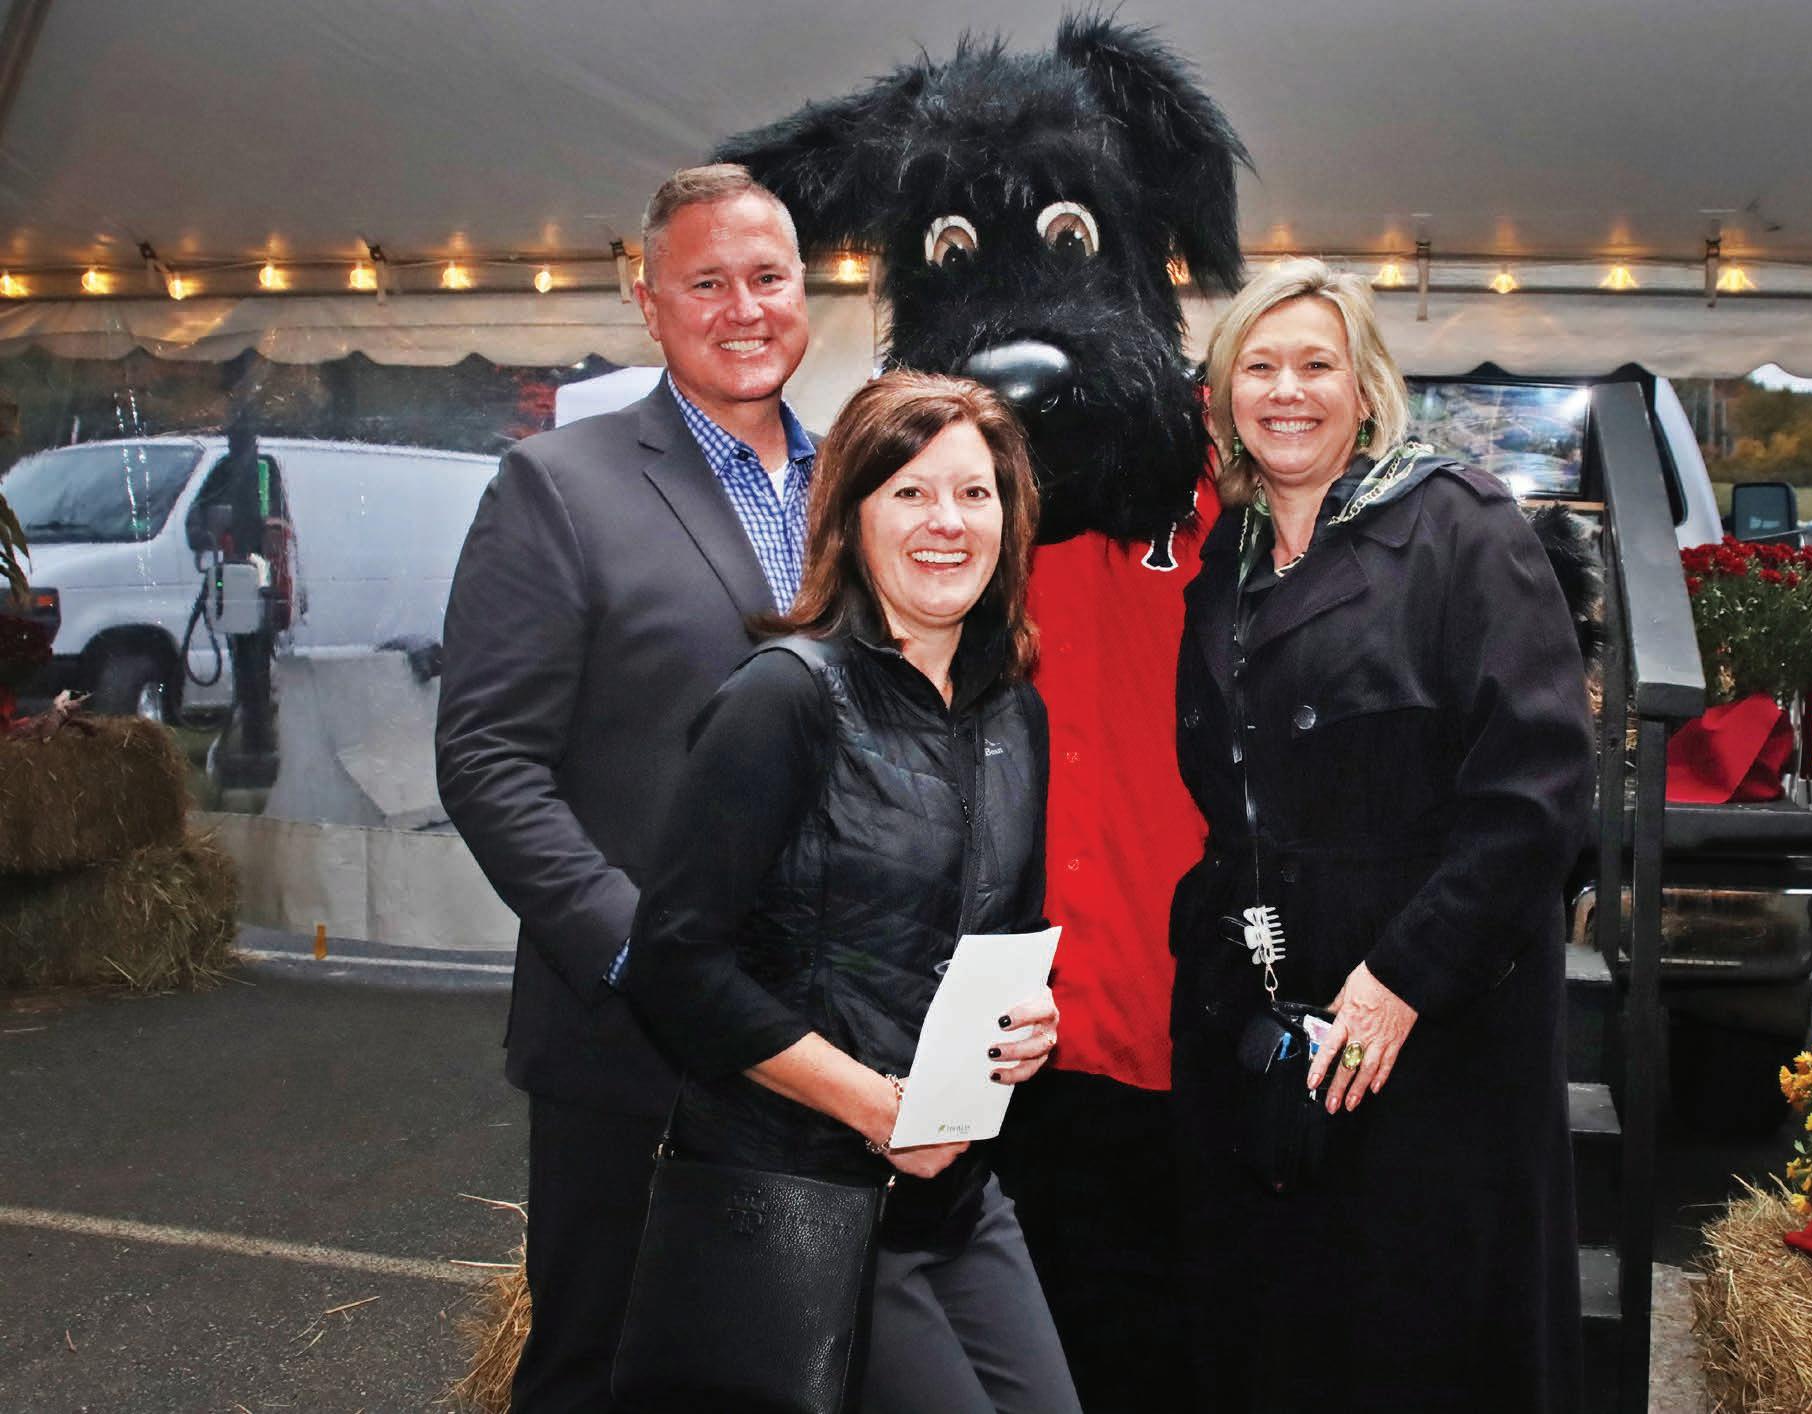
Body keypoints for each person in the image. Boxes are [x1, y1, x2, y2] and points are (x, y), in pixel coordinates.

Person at [1168, 259, 1594, 1412]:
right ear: (1223, 396)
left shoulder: (1459, 525)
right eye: (1258, 366)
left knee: (1419, 1326)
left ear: (1365, 389)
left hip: (1430, 1009)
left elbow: (1537, 790)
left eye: (1316, 365)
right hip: (1274, 996)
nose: (1286, 391)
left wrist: (1400, 979)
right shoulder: (1229, 558)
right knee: (1287, 1320)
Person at [619, 371, 1081, 1414]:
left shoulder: (1016, 716)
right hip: (804, 1196)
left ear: (1009, 522)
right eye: (909, 493)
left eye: (974, 493)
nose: (945, 523)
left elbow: (985, 938)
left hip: (956, 1194)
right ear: (851, 516)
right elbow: (673, 964)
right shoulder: (784, 697)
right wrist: (878, 1109)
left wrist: (1028, 1022)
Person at [435, 162, 815, 1411]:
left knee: (785, 1365)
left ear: (807, 291)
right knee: (601, 1367)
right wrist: (637, 952)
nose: (743, 307)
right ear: (649, 305)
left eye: (767, 277)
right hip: (633, 1040)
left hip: (824, 1036)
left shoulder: (868, 487)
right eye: (706, 282)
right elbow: (488, 758)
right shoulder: (560, 483)